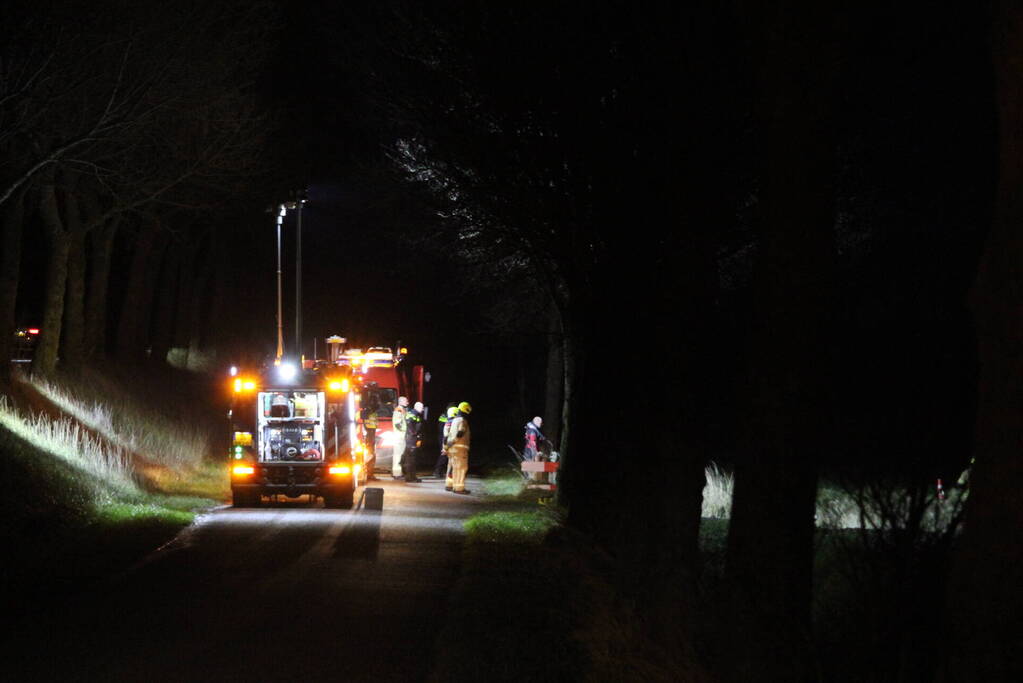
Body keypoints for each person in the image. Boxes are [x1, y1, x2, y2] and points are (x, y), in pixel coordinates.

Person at [445, 401, 472, 494]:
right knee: (461, 468)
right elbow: (460, 433)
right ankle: (459, 488)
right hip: (460, 449)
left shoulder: (455, 420)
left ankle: (451, 485)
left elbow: (448, 435)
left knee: (454, 468)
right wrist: (454, 441)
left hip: (453, 449)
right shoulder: (462, 420)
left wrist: (448, 446)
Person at [433, 404, 458, 479]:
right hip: (443, 437)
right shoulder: (445, 416)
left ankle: (440, 471)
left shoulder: (450, 416)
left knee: (446, 456)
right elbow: (441, 428)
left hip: (445, 437)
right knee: (443, 455)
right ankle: (437, 471)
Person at [403, 401, 424, 482]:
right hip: (411, 439)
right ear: (417, 407)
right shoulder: (412, 414)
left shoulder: (417, 414)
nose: (422, 409)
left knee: (413, 458)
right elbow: (410, 424)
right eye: (422, 408)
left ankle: (412, 477)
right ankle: (410, 477)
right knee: (411, 459)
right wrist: (414, 434)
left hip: (413, 438)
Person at [391, 396, 408, 479]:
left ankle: (399, 472)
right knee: (398, 455)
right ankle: (397, 474)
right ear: (400, 402)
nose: (407, 402)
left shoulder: (402, 410)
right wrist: (405, 430)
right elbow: (398, 424)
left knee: (400, 455)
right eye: (405, 401)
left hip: (401, 435)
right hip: (399, 436)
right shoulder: (398, 410)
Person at [362, 398, 379, 480]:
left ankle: (370, 473)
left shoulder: (372, 412)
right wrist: (369, 438)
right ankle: (369, 474)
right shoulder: (367, 411)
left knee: (372, 455)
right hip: (369, 437)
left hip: (371, 436)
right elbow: (366, 425)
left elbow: (373, 425)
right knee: (370, 455)